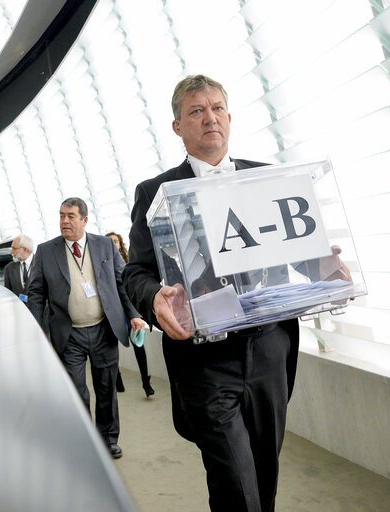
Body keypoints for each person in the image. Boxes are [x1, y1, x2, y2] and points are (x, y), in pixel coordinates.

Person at [122, 75, 300, 511]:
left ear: (230, 117)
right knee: (235, 480)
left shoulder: (267, 178)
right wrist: (154, 297)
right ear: (177, 126)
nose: (209, 118)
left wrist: (327, 266)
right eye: (196, 111)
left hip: (268, 347)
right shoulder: (155, 193)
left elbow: (298, 249)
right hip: (204, 359)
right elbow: (137, 272)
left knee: (262, 475)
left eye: (217, 108)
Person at [27, 197, 145, 459]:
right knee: (76, 389)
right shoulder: (46, 251)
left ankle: (108, 440)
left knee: (106, 389)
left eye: (70, 216)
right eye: (61, 216)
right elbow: (35, 293)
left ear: (84, 220)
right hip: (68, 334)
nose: (64, 221)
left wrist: (134, 315)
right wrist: (35, 331)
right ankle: (84, 440)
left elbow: (122, 283)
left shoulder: (104, 246)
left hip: (104, 329)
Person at [105, 231, 154, 398]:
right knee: (112, 347)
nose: (113, 244)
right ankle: (118, 380)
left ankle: (146, 382)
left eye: (115, 241)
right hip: (113, 310)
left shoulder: (128, 262)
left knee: (139, 346)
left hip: (129, 309)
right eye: (109, 241)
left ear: (120, 244)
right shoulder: (102, 264)